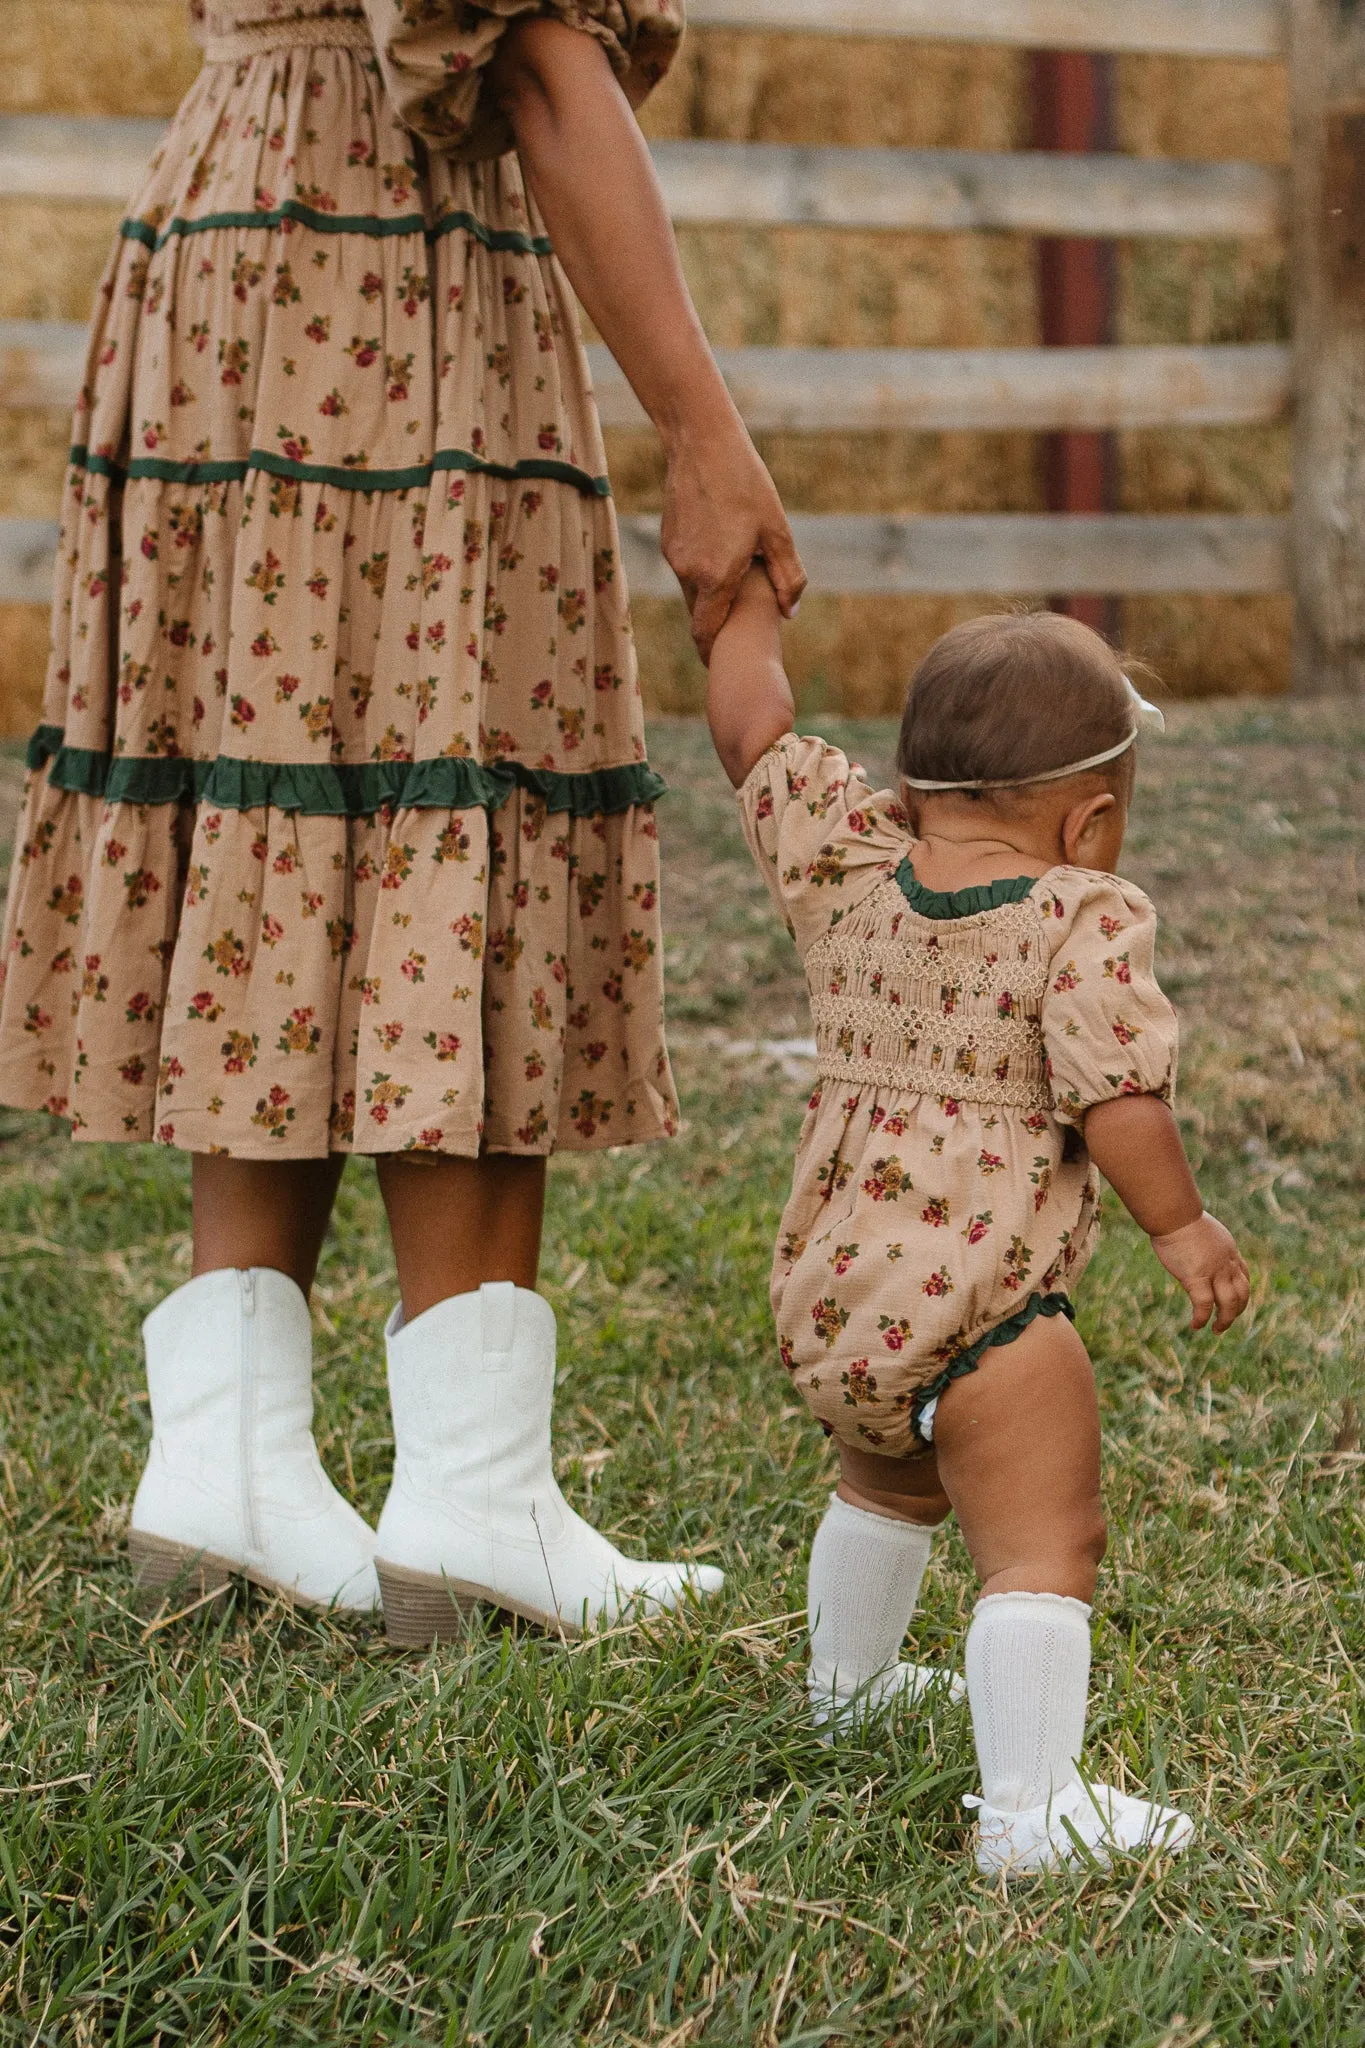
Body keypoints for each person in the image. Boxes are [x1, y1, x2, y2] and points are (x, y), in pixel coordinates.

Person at [0, 0, 805, 1640]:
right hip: (387, 242)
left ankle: (226, 1457)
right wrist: (706, 435)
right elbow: (515, 52)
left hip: (242, 232)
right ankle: (473, 1493)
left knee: (286, 789)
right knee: (463, 764)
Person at [707, 584, 1249, 1873]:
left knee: (884, 1479)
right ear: (1093, 819)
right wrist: (1181, 1227)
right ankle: (1030, 1808)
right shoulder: (1079, 918)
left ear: (915, 781)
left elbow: (749, 734)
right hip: (988, 1310)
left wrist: (736, 614)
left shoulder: (843, 863)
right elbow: (1119, 1098)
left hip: (840, 1289)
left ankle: (845, 1689)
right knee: (1046, 1539)